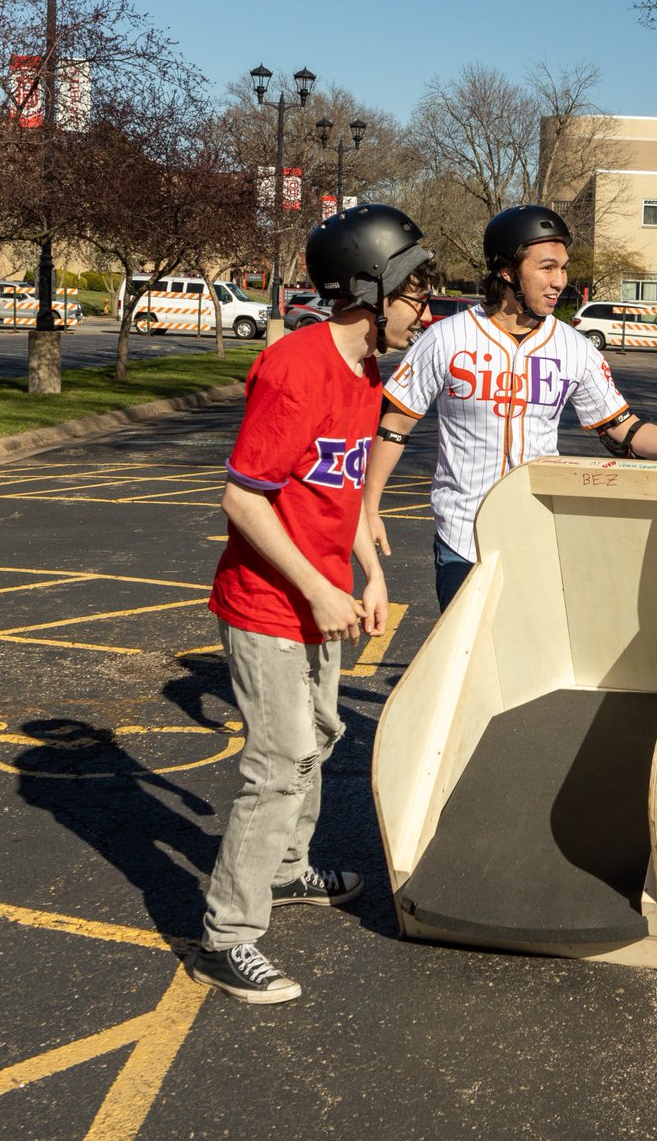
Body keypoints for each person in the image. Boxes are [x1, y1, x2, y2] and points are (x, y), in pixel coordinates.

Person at [190, 205, 436, 1003]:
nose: (424, 312)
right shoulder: (296, 369)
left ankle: (288, 870)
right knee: (279, 764)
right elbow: (244, 500)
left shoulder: (367, 373)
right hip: (269, 603)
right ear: (371, 288)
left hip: (323, 593)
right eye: (415, 295)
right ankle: (227, 935)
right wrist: (320, 587)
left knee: (323, 735)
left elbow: (339, 495)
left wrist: (369, 572)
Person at [364, 204, 657, 610]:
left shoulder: (574, 347)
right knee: (467, 665)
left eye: (563, 268)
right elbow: (394, 425)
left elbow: (622, 428)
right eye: (546, 268)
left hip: (537, 533)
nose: (559, 281)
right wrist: (369, 508)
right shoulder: (447, 338)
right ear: (507, 270)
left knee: (528, 665)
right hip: (461, 537)